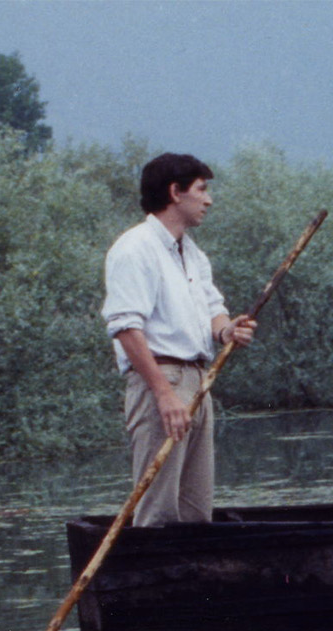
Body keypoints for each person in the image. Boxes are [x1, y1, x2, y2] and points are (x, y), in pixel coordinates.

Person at [102, 153, 257, 527]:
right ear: (175, 192)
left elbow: (212, 309)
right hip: (162, 381)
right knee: (158, 511)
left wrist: (225, 330)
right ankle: (151, 584)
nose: (209, 200)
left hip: (197, 381)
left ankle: (191, 584)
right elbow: (125, 327)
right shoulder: (134, 248)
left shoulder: (192, 252)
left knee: (195, 512)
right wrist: (163, 393)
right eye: (201, 190)